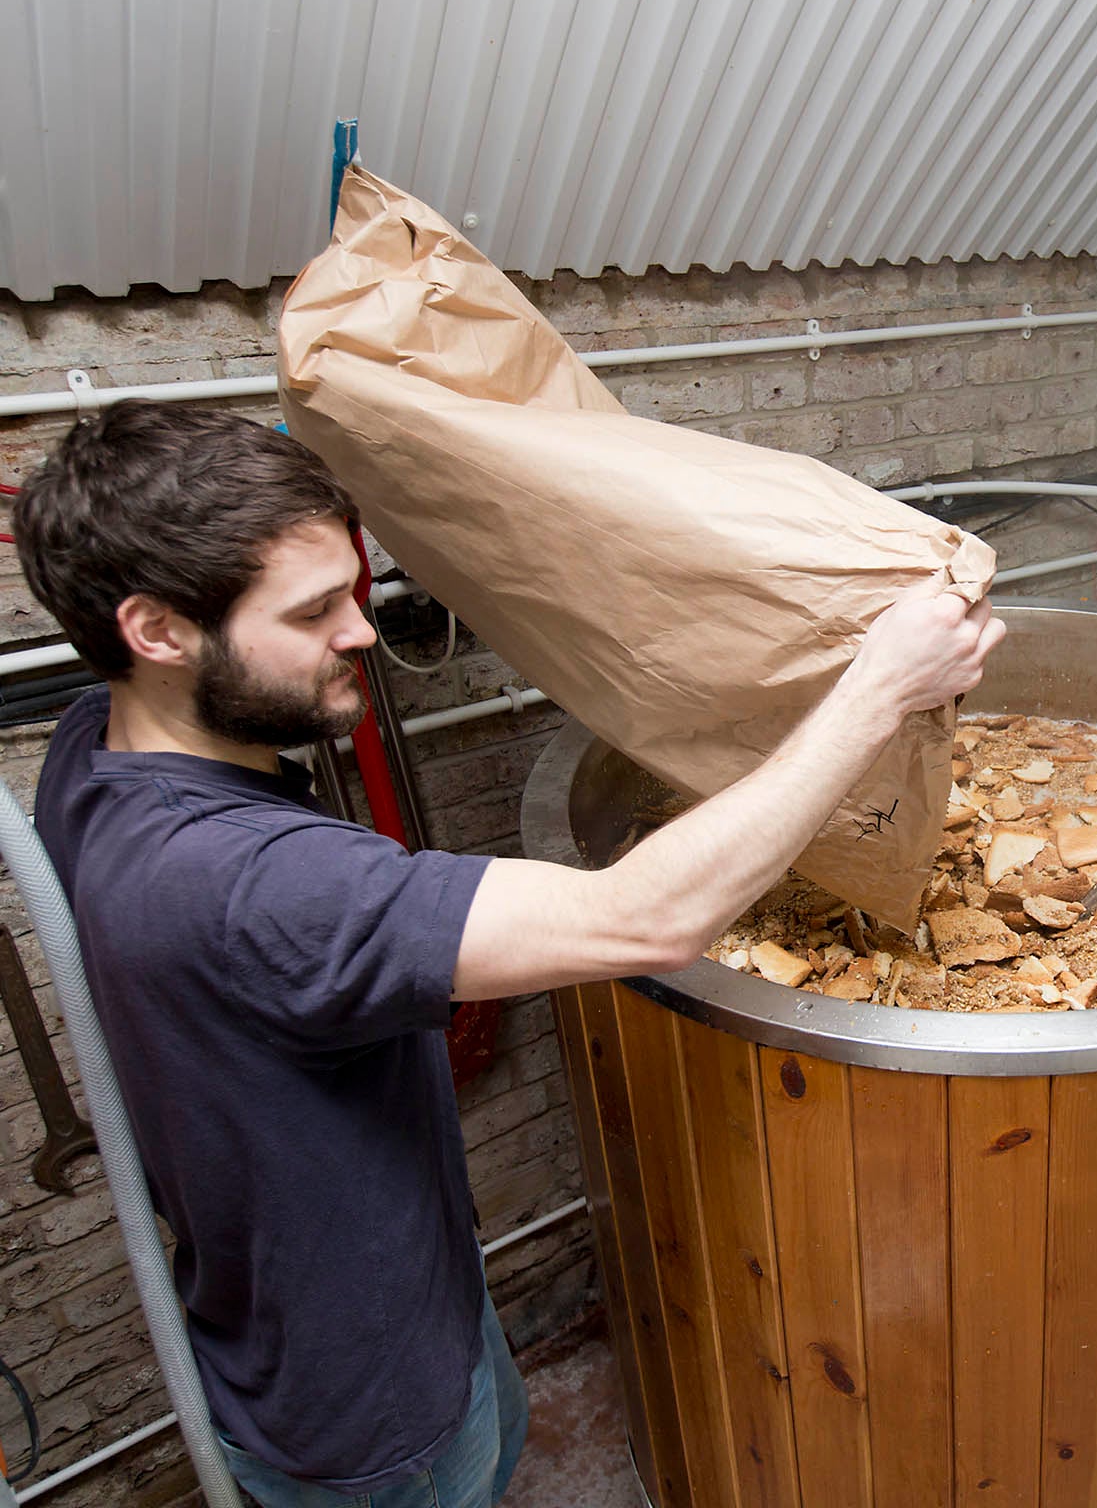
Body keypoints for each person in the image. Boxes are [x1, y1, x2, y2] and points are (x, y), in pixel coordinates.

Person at [12, 400, 1003, 1507]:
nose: (359, 631)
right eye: (311, 612)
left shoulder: (91, 749)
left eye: (354, 587)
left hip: (351, 1295)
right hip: (372, 1409)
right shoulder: (243, 882)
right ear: (155, 632)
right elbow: (644, 920)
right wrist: (877, 687)